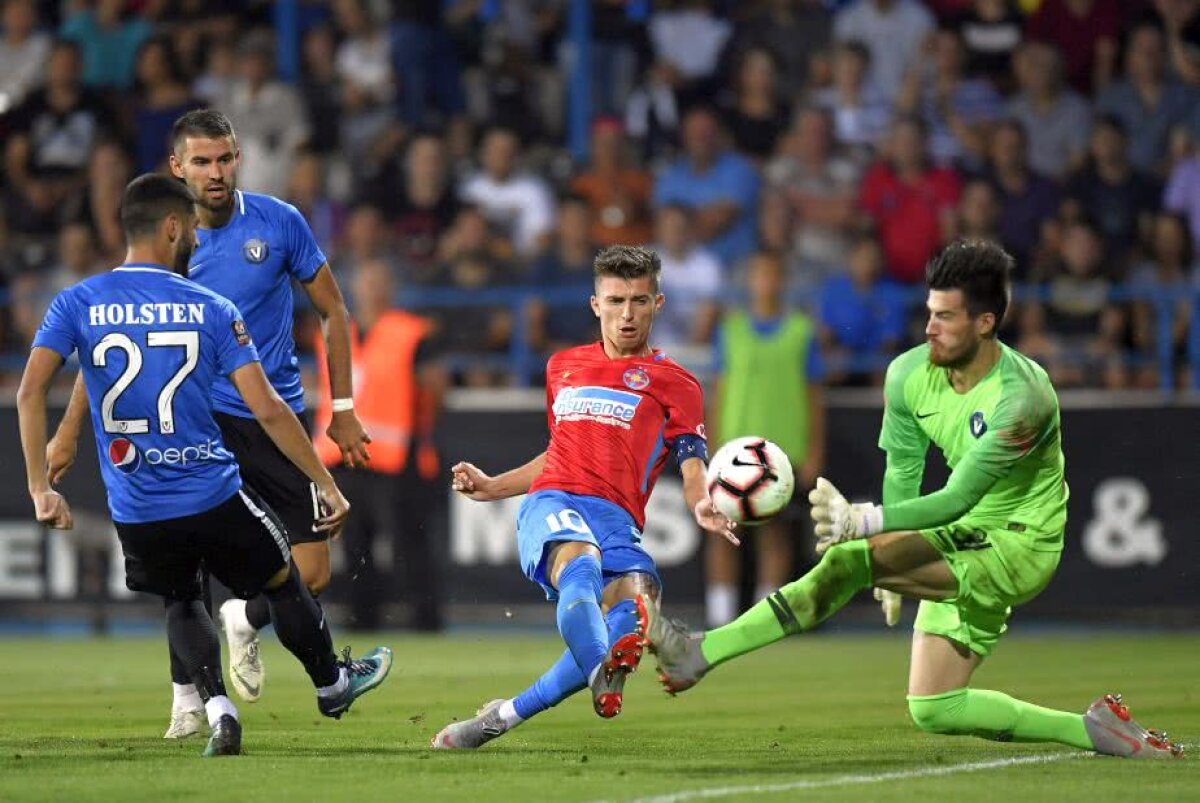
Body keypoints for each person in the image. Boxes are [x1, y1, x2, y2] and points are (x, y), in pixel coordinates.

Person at [641, 240, 1184, 761]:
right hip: (962, 533)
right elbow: (904, 470)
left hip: (1020, 543)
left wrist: (866, 525)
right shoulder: (908, 374)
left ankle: (699, 653)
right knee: (935, 706)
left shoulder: (1024, 398)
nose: (930, 328)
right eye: (929, 312)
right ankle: (1094, 730)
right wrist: (888, 541)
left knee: (845, 564)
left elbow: (959, 496)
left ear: (985, 323)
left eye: (946, 317)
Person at [17, 174, 392, 757]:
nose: (195, 236)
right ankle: (331, 684)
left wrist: (41, 485)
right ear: (172, 228)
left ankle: (215, 710)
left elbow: (29, 392)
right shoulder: (210, 307)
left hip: (137, 504)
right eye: (188, 228)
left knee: (183, 599)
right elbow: (266, 407)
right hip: (212, 493)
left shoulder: (77, 301)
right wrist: (324, 480)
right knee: (286, 580)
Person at [430, 245, 737, 749]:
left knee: (637, 608)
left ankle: (501, 717)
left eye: (639, 301)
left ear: (658, 303)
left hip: (617, 519)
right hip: (555, 502)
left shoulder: (677, 384)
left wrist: (700, 498)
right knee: (582, 564)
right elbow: (558, 453)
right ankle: (603, 668)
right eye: (616, 300)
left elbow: (691, 462)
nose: (627, 314)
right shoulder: (562, 367)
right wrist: (495, 485)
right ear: (596, 305)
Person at [311, 258, 446, 631]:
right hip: (342, 458)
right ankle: (360, 620)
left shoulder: (411, 332)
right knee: (354, 548)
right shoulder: (336, 331)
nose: (372, 290)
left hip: (394, 459)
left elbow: (435, 385)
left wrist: (420, 426)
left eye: (379, 282)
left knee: (408, 546)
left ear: (392, 288)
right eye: (366, 281)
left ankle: (426, 621)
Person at [706, 252, 825, 627]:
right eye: (760, 275)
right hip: (734, 451)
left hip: (781, 450)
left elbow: (813, 396)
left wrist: (814, 451)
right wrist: (708, 446)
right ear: (751, 281)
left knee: (776, 536)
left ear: (782, 281)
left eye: (773, 275)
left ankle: (765, 622)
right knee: (724, 533)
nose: (766, 282)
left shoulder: (801, 331)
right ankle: (720, 618)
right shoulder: (731, 331)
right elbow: (719, 392)